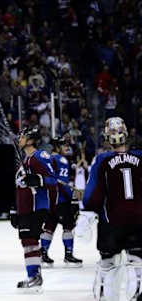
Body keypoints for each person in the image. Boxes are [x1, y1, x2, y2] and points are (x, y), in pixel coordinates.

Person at [83, 117, 142, 301]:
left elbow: (91, 197)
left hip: (111, 223)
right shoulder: (141, 157)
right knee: (138, 261)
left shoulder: (102, 160)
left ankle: (106, 295)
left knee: (108, 265)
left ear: (107, 137)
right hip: (139, 221)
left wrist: (88, 211)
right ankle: (138, 290)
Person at [11, 126, 57, 292]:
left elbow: (52, 180)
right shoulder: (24, 161)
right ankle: (33, 276)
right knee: (27, 242)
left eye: (22, 137)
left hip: (36, 207)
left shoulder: (39, 157)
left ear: (30, 139)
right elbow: (19, 188)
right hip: (25, 209)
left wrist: (37, 179)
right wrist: (14, 210)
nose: (19, 139)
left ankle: (35, 277)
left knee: (31, 241)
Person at [40, 136, 82, 268]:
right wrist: (72, 198)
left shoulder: (48, 159)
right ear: (57, 147)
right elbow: (63, 185)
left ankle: (43, 254)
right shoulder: (61, 159)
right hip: (62, 200)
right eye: (63, 145)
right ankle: (68, 255)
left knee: (49, 227)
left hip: (50, 201)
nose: (67, 147)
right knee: (68, 226)